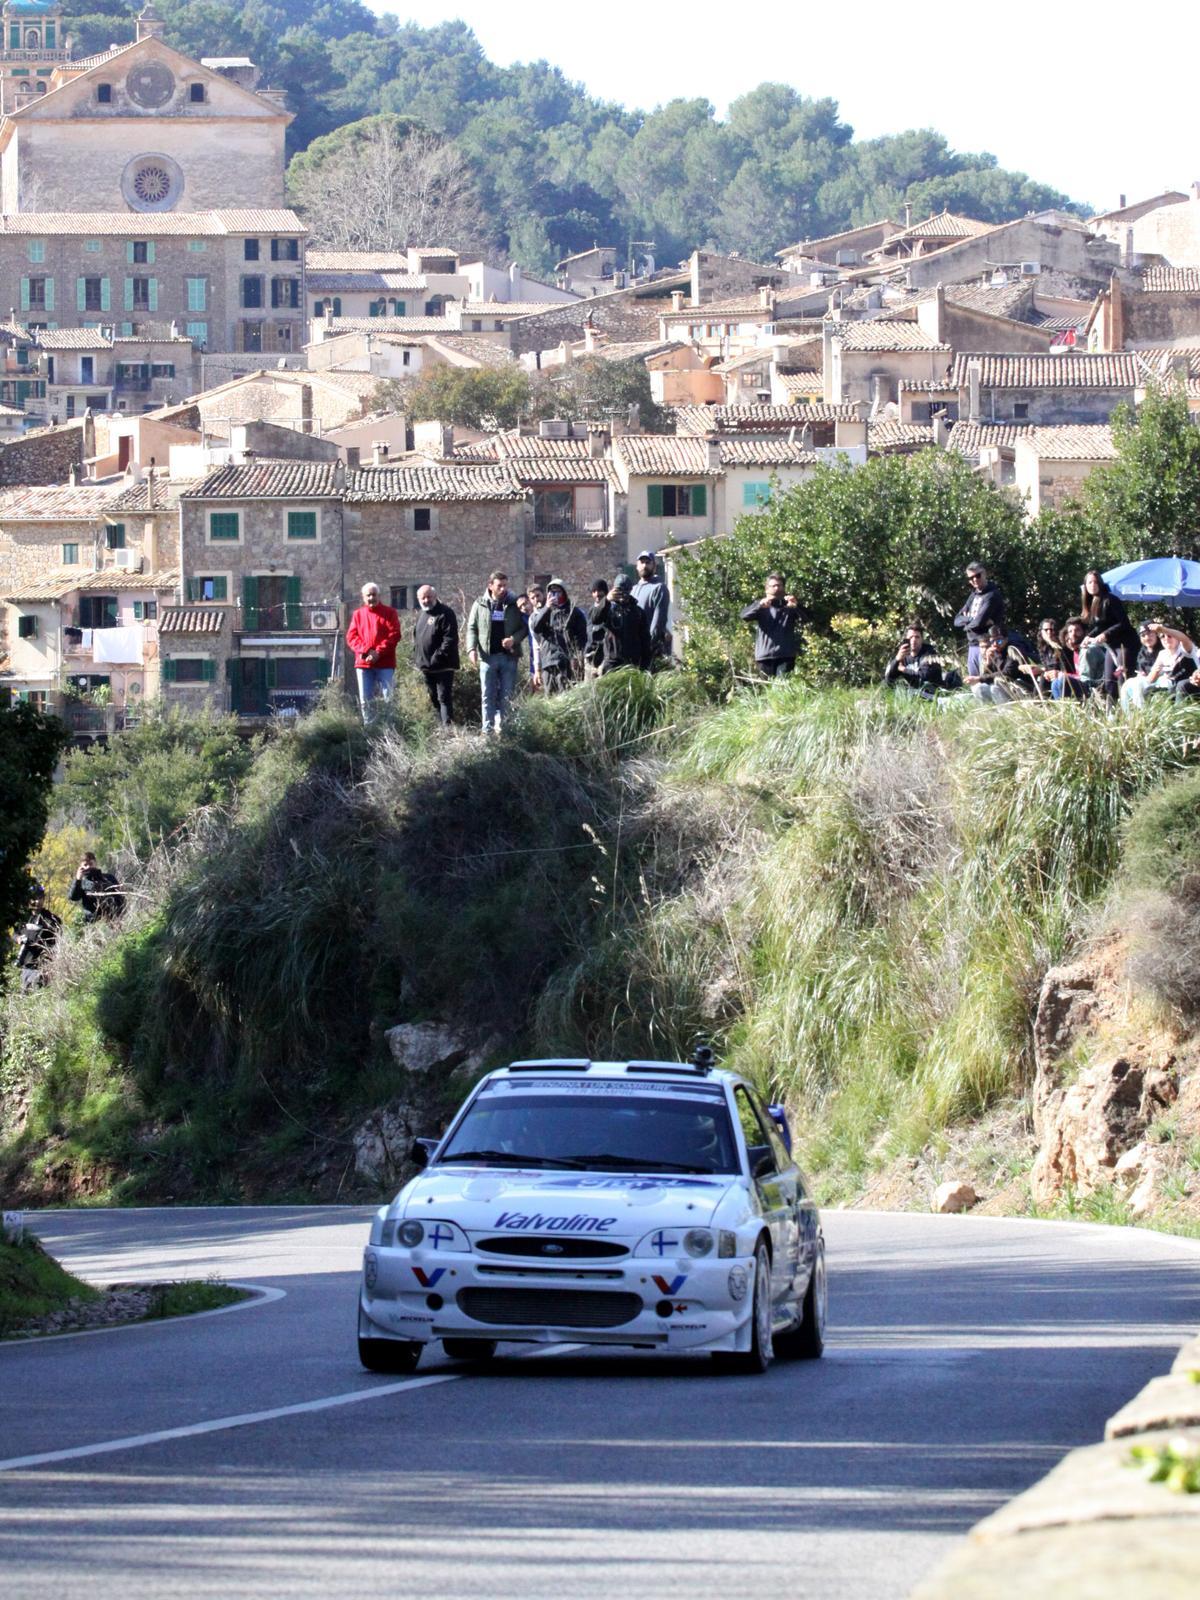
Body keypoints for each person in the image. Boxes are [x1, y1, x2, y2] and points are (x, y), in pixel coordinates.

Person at [466, 571, 525, 732]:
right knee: (487, 696)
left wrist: (514, 639)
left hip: (509, 657)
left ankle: (507, 731)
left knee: (507, 697)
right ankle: (488, 731)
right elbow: (472, 628)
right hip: (487, 657)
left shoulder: (514, 604)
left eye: (505, 585)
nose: (503, 589)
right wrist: (471, 649)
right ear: (490, 586)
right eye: (499, 586)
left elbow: (524, 627)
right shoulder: (479, 604)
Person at [346, 582, 401, 723]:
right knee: (365, 700)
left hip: (385, 663)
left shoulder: (390, 613)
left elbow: (394, 635)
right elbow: (351, 637)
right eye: (368, 595)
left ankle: (390, 728)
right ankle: (369, 729)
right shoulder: (358, 615)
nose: (371, 598)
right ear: (363, 597)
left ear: (379, 595)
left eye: (374, 594)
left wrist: (378, 652)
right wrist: (366, 651)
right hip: (364, 664)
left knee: (388, 698)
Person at [1080, 569, 1139, 702]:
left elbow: (1123, 623)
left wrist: (1106, 634)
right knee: (1109, 681)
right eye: (1089, 582)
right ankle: (1113, 713)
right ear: (1086, 585)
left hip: (1125, 643)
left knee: (1122, 678)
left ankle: (1129, 711)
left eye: (1095, 582)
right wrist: (1088, 637)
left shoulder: (1111, 600)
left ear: (1100, 584)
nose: (1093, 585)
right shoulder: (1092, 601)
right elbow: (1099, 626)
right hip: (1112, 646)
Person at [412, 584, 459, 727]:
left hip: (443, 666)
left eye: (428, 597)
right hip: (426, 667)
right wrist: (418, 658)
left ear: (435, 596)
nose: (426, 600)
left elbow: (449, 639)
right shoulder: (421, 614)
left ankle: (448, 729)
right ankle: (441, 726)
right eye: (423, 598)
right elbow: (417, 638)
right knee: (434, 698)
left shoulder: (445, 613)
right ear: (418, 599)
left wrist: (436, 658)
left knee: (444, 697)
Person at [1122, 622, 1198, 709]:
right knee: (1149, 692)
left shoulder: (1184, 649)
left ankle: (1179, 716)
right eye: (1162, 636)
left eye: (1169, 636)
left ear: (1176, 638)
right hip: (1174, 689)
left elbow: (1184, 639)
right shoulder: (1162, 654)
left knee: (1181, 686)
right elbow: (1149, 680)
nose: (1166, 639)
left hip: (1191, 686)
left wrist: (1164, 630)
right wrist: (1156, 672)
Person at [531, 579, 588, 693]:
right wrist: (547, 607)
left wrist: (576, 657)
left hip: (567, 663)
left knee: (567, 695)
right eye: (552, 593)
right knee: (550, 698)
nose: (555, 596)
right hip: (549, 662)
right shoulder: (544, 612)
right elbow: (536, 628)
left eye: (558, 592)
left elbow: (581, 638)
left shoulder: (574, 612)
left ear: (564, 593)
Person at [741, 574, 803, 678]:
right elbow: (744, 616)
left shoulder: (790, 605)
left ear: (783, 587)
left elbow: (807, 618)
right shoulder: (761, 606)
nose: (777, 588)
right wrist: (759, 605)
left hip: (786, 655)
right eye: (773, 586)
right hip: (764, 656)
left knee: (783, 688)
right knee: (767, 689)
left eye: (779, 585)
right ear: (766, 589)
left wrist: (796, 606)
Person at [954, 562, 1006, 677]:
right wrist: (971, 619)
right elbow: (956, 620)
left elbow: (979, 622)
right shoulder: (973, 595)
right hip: (972, 644)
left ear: (985, 573)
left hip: (988, 645)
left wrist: (967, 625)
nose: (975, 580)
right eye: (971, 578)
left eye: (978, 575)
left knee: (988, 680)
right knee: (974, 682)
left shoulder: (992, 595)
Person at [590, 573, 650, 673]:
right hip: (612, 662)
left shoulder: (638, 612)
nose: (622, 594)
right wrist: (607, 600)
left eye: (625, 591)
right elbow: (595, 619)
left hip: (632, 663)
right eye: (619, 590)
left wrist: (645, 666)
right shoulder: (608, 608)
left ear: (630, 590)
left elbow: (645, 640)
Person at [14, 883, 60, 991]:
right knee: (25, 997)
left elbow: (57, 942)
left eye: (40, 898)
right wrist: (18, 939)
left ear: (44, 899)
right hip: (26, 964)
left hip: (43, 966)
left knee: (39, 993)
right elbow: (15, 934)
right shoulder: (23, 917)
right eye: (34, 898)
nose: (37, 901)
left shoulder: (51, 919)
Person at [968, 628, 1032, 704]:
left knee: (995, 688)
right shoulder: (994, 652)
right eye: (992, 641)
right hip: (1003, 687)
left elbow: (1007, 673)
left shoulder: (1012, 650)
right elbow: (986, 677)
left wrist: (979, 678)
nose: (995, 644)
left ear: (1006, 639)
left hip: (1020, 687)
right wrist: (988, 662)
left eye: (999, 641)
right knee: (980, 688)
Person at [631, 551, 671, 663]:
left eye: (648, 562)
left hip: (650, 650)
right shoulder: (633, 590)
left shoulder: (659, 588)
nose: (645, 565)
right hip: (634, 649)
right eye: (642, 562)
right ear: (637, 566)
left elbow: (658, 621)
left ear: (654, 566)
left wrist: (648, 645)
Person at [1016, 618, 1069, 699]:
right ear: (1041, 632)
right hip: (1048, 677)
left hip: (1061, 678)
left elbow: (1061, 666)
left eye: (1052, 630)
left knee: (1043, 678)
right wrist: (1033, 668)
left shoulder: (1061, 646)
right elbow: (1046, 665)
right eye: (1046, 630)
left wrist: (1042, 670)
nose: (1049, 632)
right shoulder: (1043, 648)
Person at [884, 622, 943, 693]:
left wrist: (903, 669)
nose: (914, 640)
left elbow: (923, 678)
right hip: (913, 692)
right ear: (906, 639)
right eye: (911, 637)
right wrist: (897, 659)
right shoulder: (903, 654)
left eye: (917, 637)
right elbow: (889, 679)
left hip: (931, 691)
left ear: (922, 639)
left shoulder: (929, 653)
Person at [68, 852, 123, 923]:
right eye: (85, 865)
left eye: (91, 864)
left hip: (113, 919)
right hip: (93, 922)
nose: (88, 867)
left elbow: (119, 898)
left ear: (95, 863)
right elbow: (73, 897)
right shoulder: (81, 882)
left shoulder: (109, 878)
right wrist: (78, 879)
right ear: (81, 866)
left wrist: (119, 915)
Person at [1047, 617, 1090, 700]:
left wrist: (1063, 675)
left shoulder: (1088, 650)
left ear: (1085, 632)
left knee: (1064, 680)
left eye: (1077, 630)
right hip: (1083, 684)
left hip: (1092, 687)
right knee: (1055, 682)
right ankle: (1063, 709)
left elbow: (1086, 679)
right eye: (1070, 631)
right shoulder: (1076, 652)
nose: (1073, 634)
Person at [585, 579, 609, 679]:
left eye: (600, 591)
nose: (597, 594)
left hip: (605, 655)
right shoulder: (591, 610)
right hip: (591, 656)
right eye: (594, 591)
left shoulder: (610, 609)